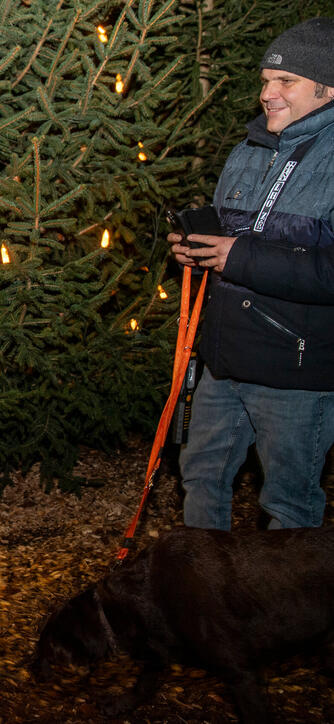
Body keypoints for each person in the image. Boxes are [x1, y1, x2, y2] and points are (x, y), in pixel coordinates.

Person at [169, 17, 334, 531]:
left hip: (295, 371)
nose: (268, 94)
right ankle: (204, 603)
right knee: (200, 477)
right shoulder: (249, 149)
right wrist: (195, 247)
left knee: (288, 505)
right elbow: (232, 234)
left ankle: (290, 613)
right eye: (265, 81)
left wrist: (235, 257)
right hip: (224, 359)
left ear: (327, 89)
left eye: (285, 82)